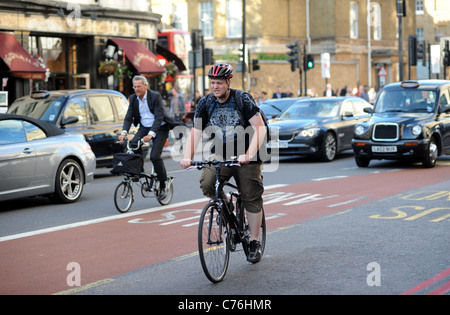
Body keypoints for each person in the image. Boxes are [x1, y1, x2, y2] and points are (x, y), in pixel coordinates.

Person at [180, 63, 266, 263]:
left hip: (248, 153)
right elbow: (196, 132)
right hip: (221, 153)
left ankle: (254, 242)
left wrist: (248, 154)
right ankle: (226, 203)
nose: (215, 86)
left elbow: (259, 128)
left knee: (250, 194)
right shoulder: (206, 102)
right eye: (212, 82)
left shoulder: (241, 99)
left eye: (219, 82)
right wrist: (187, 156)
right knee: (208, 184)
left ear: (228, 82)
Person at [118, 75, 170, 194]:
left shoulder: (155, 96)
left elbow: (159, 117)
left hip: (160, 128)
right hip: (144, 127)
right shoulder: (133, 98)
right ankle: (139, 171)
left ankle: (162, 184)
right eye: (135, 87)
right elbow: (128, 117)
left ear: (145, 86)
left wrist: (151, 134)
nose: (136, 89)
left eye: (139, 87)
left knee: (154, 157)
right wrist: (123, 133)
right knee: (133, 144)